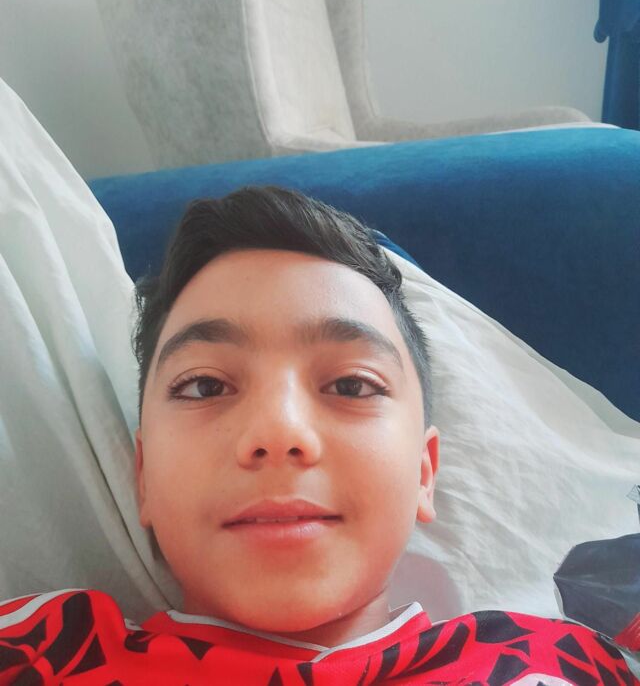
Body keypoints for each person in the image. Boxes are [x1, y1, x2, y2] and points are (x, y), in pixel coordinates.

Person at [0, 187, 636, 685]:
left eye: (352, 385)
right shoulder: (44, 653)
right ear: (143, 477)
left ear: (424, 472)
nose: (278, 431)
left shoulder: (555, 661)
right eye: (205, 386)